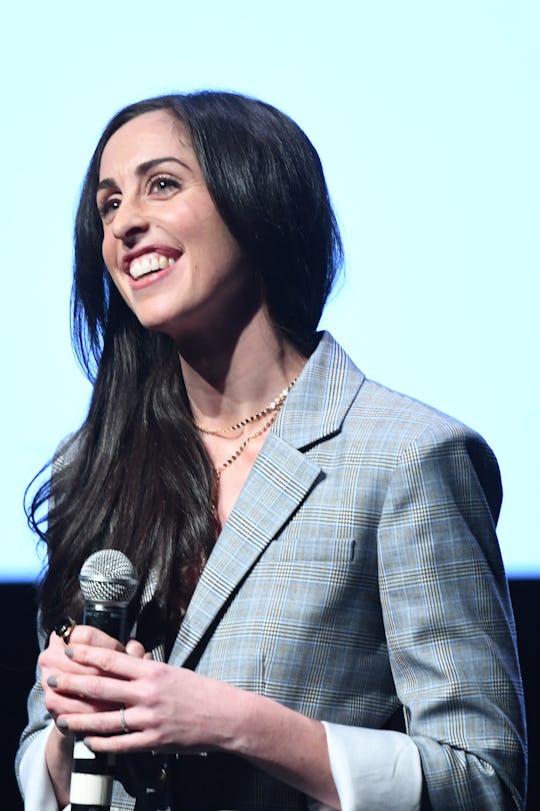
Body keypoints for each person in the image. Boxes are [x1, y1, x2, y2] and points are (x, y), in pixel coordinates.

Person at [16, 90, 526, 811]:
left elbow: (482, 779)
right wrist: (74, 725)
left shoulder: (406, 457)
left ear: (256, 201)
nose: (126, 221)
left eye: (161, 185)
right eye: (107, 205)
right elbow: (43, 755)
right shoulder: (94, 467)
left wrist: (233, 721)